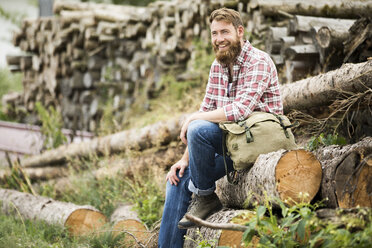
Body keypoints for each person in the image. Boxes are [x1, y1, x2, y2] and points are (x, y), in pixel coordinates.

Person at [158, 7, 283, 247]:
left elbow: (240, 110)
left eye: (224, 32)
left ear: (239, 32)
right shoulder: (218, 66)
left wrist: (193, 118)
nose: (219, 39)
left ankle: (205, 196)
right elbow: (207, 110)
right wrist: (185, 160)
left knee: (197, 128)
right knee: (178, 179)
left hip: (258, 142)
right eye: (214, 33)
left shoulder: (258, 61)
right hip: (232, 143)